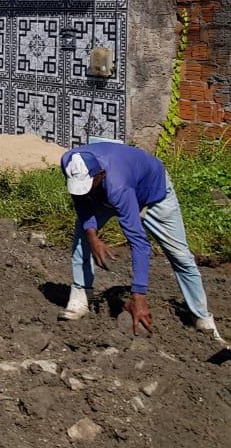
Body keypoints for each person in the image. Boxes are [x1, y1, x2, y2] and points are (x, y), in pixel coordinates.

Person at [60, 144, 221, 340]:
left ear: (101, 174)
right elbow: (80, 200)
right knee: (82, 239)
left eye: (88, 185)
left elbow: (139, 242)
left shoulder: (118, 185)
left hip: (152, 193)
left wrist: (139, 296)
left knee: (180, 256)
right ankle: (80, 297)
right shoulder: (69, 162)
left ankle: (202, 318)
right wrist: (92, 236)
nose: (82, 191)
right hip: (104, 195)